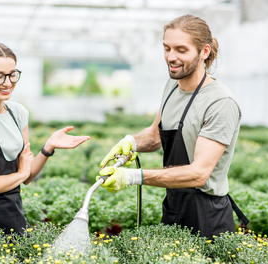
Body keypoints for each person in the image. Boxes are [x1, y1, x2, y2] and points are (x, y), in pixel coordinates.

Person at [98, 15, 248, 240]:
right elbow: (156, 134)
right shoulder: (172, 85)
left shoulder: (220, 103)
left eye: (181, 49)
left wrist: (133, 177)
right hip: (173, 205)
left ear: (204, 52)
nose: (171, 57)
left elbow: (198, 174)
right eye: (167, 48)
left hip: (206, 215)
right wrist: (131, 142)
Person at [0, 42, 90, 235]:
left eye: (12, 74)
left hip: (14, 217)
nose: (7, 83)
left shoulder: (18, 114)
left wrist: (48, 147)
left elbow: (27, 175)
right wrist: (22, 174)